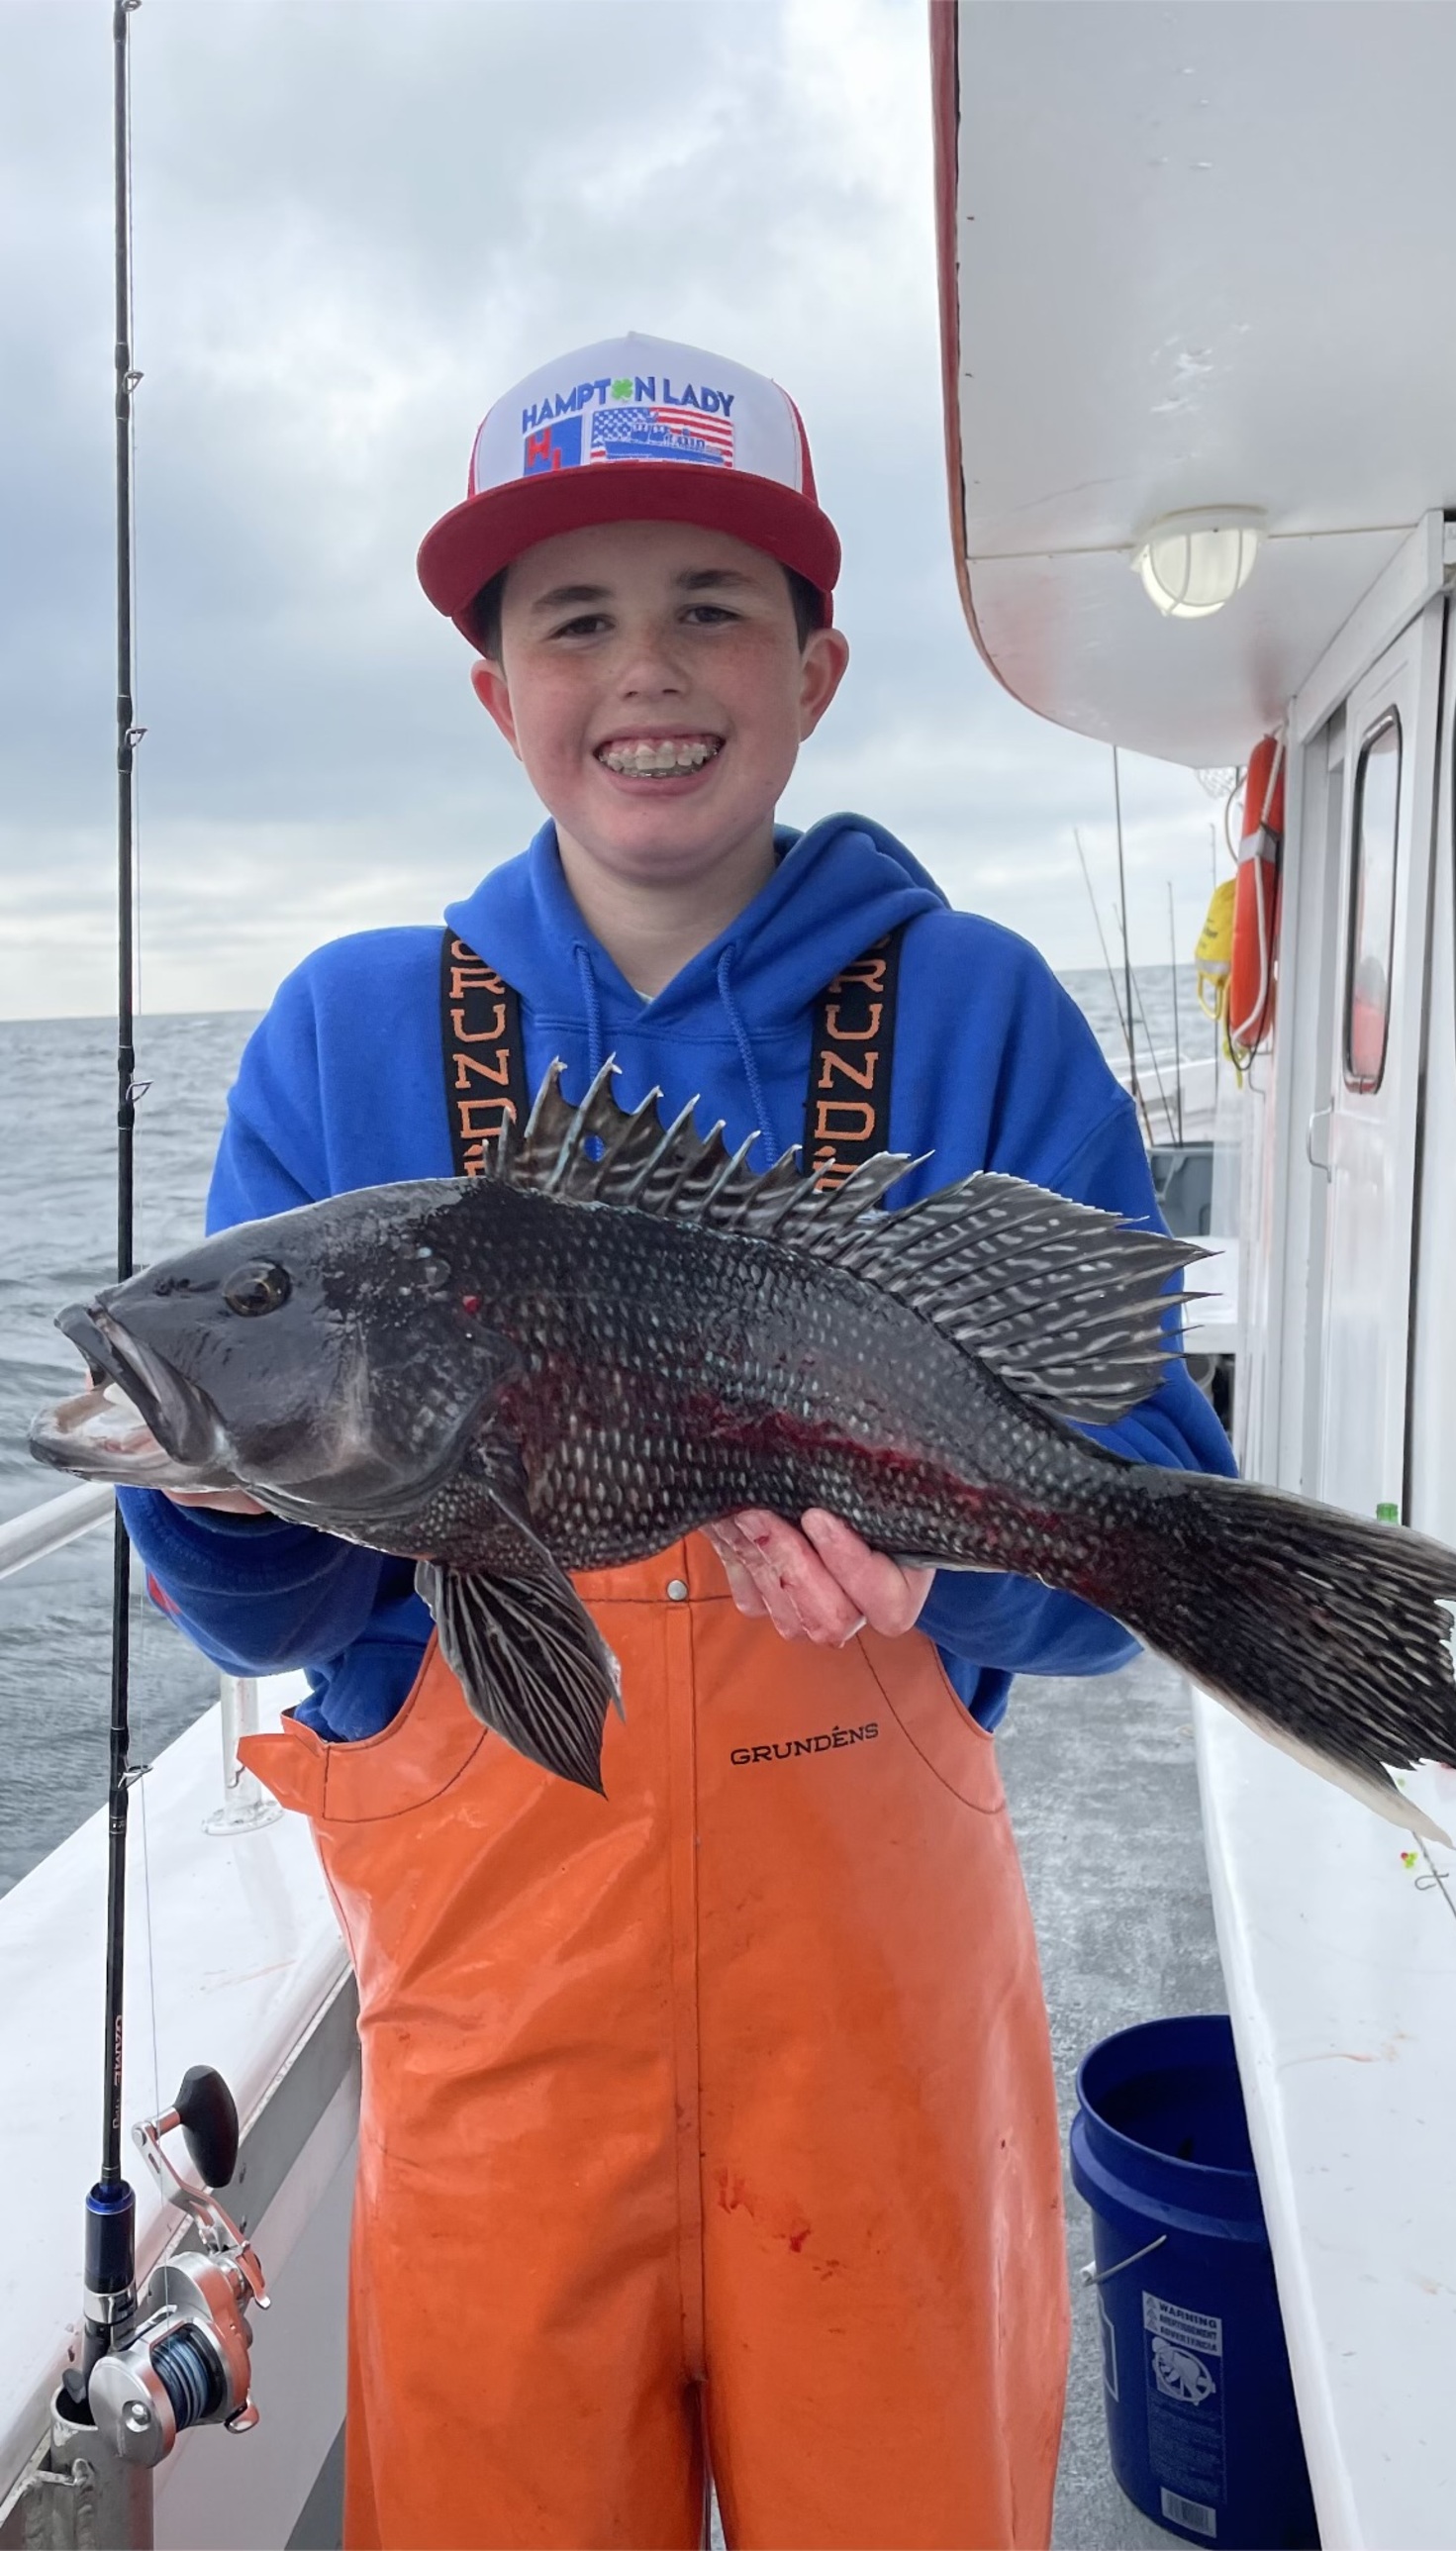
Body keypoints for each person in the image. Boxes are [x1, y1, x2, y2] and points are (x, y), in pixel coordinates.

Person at [122, 334, 1234, 2551]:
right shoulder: (353, 1030)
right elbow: (288, 1602)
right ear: (493, 687)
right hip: (504, 2068)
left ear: (818, 666)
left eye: (713, 603)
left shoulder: (977, 1007)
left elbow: (1157, 1512)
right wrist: (210, 1490)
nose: (649, 670)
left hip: (882, 2079)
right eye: (576, 616)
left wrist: (962, 1559)